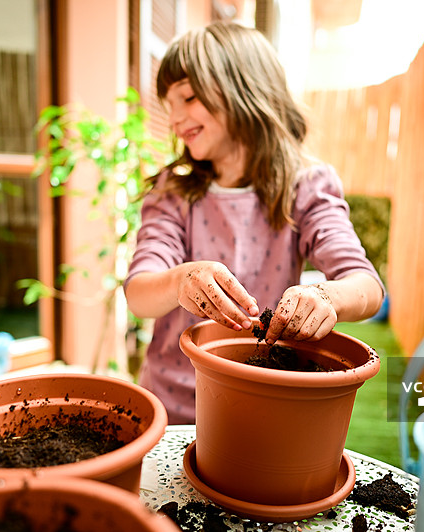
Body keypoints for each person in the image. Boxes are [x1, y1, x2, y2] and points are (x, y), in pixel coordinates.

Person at [123, 21, 384, 424]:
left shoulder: (306, 186)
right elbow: (139, 293)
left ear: (245, 88)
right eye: (167, 103)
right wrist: (180, 280)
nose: (173, 119)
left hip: (262, 405)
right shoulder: (172, 191)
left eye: (188, 97)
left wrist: (328, 297)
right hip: (169, 410)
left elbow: (366, 286)